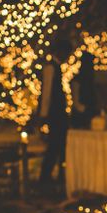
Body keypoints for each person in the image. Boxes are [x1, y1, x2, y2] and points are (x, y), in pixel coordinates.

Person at [38, 38, 72, 185]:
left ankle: (55, 176)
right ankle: (45, 178)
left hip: (57, 112)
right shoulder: (50, 68)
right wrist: (43, 114)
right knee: (54, 146)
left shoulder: (56, 67)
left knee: (58, 145)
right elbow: (46, 92)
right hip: (54, 114)